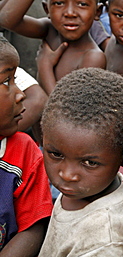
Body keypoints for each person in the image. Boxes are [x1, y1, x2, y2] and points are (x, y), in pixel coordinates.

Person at [39, 67, 123, 256]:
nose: (67, 174)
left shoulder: (104, 239)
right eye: (56, 154)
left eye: (90, 163)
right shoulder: (85, 188)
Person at [0, 36, 53, 256]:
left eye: (16, 79)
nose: (21, 94)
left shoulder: (23, 152)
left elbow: (33, 227)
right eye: (6, 82)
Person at [0, 0, 106, 95]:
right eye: (59, 3)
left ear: (97, 12)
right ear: (47, 9)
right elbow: (7, 20)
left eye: (82, 4)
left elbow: (67, 111)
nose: (70, 13)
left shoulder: (93, 57)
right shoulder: (50, 30)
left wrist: (45, 67)